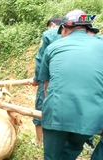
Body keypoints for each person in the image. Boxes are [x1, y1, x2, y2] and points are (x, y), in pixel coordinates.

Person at [38, 9, 103, 160]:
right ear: (88, 30)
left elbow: (46, 88)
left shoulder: (52, 48)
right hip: (90, 117)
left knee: (51, 156)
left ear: (65, 29)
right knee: (74, 146)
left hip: (56, 114)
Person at [31, 16, 62, 145]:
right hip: (68, 81)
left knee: (41, 107)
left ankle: (39, 141)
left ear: (53, 25)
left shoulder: (49, 34)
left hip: (49, 78)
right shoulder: (79, 35)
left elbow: (40, 60)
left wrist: (37, 79)